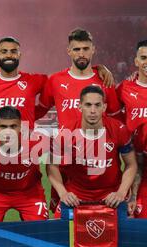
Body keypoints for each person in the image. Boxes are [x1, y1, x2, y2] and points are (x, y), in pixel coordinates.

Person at [37, 28, 122, 215]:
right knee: (64, 215)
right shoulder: (55, 80)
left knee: (103, 214)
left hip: (99, 157)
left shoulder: (104, 80)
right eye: (76, 49)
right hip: (66, 157)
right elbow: (38, 110)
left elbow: (116, 118)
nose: (81, 53)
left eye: (85, 48)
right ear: (68, 51)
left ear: (93, 50)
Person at [47, 85, 137, 220]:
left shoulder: (119, 129)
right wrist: (63, 193)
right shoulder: (65, 133)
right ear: (80, 106)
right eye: (88, 105)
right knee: (59, 233)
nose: (93, 111)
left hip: (111, 195)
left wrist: (121, 192)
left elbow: (131, 165)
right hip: (76, 195)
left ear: (104, 107)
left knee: (129, 231)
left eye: (97, 105)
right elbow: (52, 166)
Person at [0, 36, 48, 129]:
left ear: (19, 55)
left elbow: (59, 83)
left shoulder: (34, 80)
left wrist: (32, 114)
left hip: (25, 141)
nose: (9, 55)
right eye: (4, 52)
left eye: (13, 51)